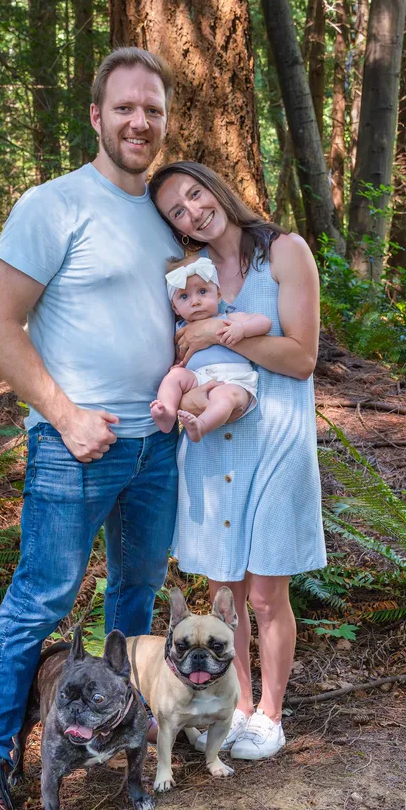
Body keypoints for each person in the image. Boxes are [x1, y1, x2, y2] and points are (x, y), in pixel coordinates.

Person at [0, 48, 182, 810]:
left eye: (152, 110)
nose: (139, 122)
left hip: (157, 449)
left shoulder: (167, 212)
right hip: (74, 446)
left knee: (136, 592)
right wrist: (63, 413)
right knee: (41, 599)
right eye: (124, 108)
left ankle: (112, 734)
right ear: (96, 116)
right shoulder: (53, 205)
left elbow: (185, 320)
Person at [149, 160, 327, 761]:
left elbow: (302, 357)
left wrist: (216, 335)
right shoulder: (187, 274)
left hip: (274, 438)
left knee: (265, 595)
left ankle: (271, 715)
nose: (193, 211)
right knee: (226, 592)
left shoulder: (284, 251)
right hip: (209, 444)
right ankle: (238, 705)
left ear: (215, 188)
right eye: (177, 210)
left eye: (195, 194)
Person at [151, 254, 271, 441]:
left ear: (218, 294)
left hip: (234, 379)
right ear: (175, 308)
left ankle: (201, 426)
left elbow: (264, 322)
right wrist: (177, 365)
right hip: (198, 377)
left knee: (224, 396)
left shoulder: (228, 318)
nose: (195, 301)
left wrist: (242, 329)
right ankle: (167, 414)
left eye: (202, 292)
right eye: (184, 296)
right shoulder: (180, 330)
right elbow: (180, 356)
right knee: (174, 377)